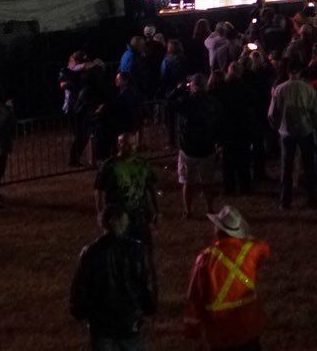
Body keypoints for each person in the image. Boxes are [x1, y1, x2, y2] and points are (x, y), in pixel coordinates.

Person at [69, 204, 158, 351]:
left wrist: (80, 311)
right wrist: (148, 307)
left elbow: (81, 286)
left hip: (101, 324)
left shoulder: (91, 252)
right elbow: (147, 284)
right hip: (129, 322)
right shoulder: (137, 251)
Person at [184, 205, 269, 351]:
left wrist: (193, 327)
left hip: (220, 332)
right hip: (249, 326)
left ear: (217, 230)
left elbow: (194, 296)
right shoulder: (251, 250)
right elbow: (263, 248)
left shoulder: (205, 259)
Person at [94, 132, 160, 265]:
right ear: (119, 145)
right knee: (121, 254)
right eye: (127, 144)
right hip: (119, 218)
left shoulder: (142, 164)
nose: (131, 148)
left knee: (144, 253)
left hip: (140, 217)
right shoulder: (110, 166)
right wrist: (101, 214)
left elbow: (151, 188)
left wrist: (156, 210)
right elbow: (98, 190)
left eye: (133, 144)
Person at [267, 61, 317, 209]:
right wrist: (315, 124)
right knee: (309, 165)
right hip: (305, 130)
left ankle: (285, 201)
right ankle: (312, 198)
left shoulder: (280, 89)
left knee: (286, 167)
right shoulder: (308, 89)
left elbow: (272, 114)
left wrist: (277, 127)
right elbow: (315, 111)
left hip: (286, 132)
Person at [171, 74, 223, 219]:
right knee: (208, 182)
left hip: (189, 148)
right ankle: (210, 209)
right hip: (207, 147)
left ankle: (188, 211)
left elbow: (170, 103)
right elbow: (219, 121)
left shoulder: (186, 102)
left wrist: (178, 90)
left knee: (187, 182)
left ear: (192, 86)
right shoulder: (212, 102)